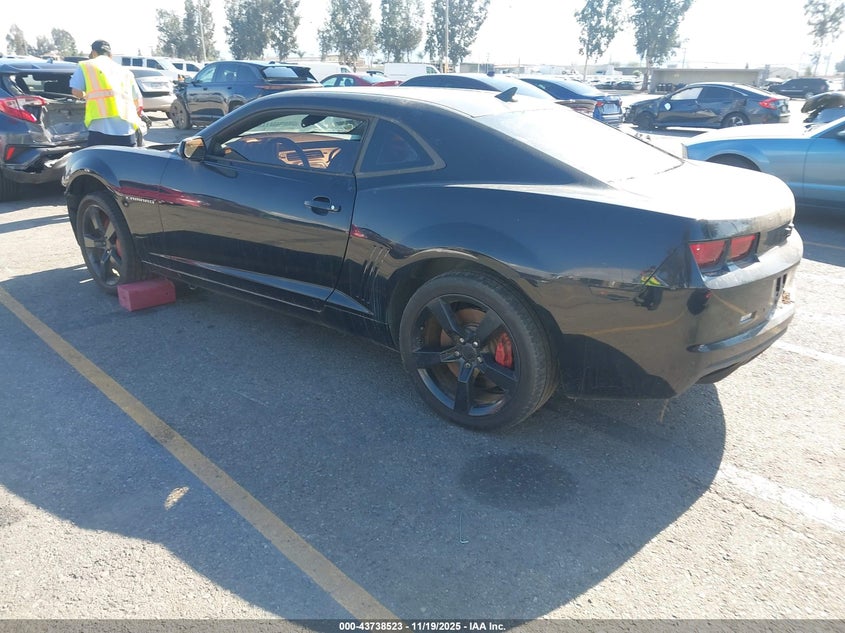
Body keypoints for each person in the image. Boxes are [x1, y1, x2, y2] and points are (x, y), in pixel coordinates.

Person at [70, 40, 144, 147]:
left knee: (100, 157)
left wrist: (86, 95)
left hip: (100, 128)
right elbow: (137, 100)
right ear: (110, 55)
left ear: (94, 53)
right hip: (126, 129)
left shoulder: (86, 66)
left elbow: (76, 91)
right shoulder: (125, 71)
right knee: (126, 157)